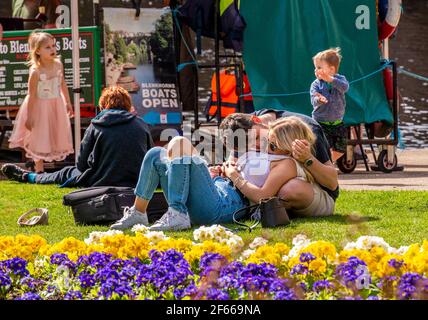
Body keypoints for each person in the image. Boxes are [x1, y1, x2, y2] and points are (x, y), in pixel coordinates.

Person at [109, 116, 316, 231]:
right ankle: (139, 213)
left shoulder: (286, 163)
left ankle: (177, 213)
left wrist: (235, 176)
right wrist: (220, 171)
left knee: (179, 143)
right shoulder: (260, 151)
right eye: (266, 140)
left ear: (288, 146)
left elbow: (263, 196)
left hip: (227, 203)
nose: (265, 145)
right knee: (156, 154)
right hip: (216, 189)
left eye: (272, 143)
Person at [1, 86, 154, 187]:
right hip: (136, 181)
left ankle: (30, 177)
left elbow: (81, 165)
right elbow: (151, 159)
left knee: (65, 172)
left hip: (100, 180)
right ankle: (29, 176)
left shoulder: (96, 125)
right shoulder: (141, 125)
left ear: (103, 105)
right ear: (128, 105)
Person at [224, 111, 338, 217]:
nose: (258, 146)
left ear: (257, 120)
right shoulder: (243, 126)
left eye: (258, 137)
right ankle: (269, 208)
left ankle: (267, 209)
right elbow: (232, 161)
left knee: (290, 189)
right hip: (273, 188)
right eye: (249, 146)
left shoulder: (305, 129)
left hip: (317, 192)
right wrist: (228, 166)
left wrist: (307, 158)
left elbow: (332, 184)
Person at [8, 31, 74, 173]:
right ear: (37, 50)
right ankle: (39, 169)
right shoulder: (35, 71)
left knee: (54, 131)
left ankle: (53, 167)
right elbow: (31, 95)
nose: (53, 49)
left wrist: (68, 102)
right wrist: (30, 116)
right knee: (39, 134)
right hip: (39, 105)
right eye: (47, 47)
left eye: (53, 46)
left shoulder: (58, 64)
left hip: (56, 103)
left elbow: (63, 83)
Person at [310, 47, 349, 162]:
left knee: (341, 148)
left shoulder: (340, 79)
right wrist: (319, 99)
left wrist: (330, 79)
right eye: (315, 68)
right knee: (322, 148)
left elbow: (345, 87)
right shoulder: (316, 84)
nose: (316, 71)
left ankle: (328, 163)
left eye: (319, 68)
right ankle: (324, 164)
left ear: (331, 69)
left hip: (338, 122)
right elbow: (313, 99)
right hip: (321, 123)